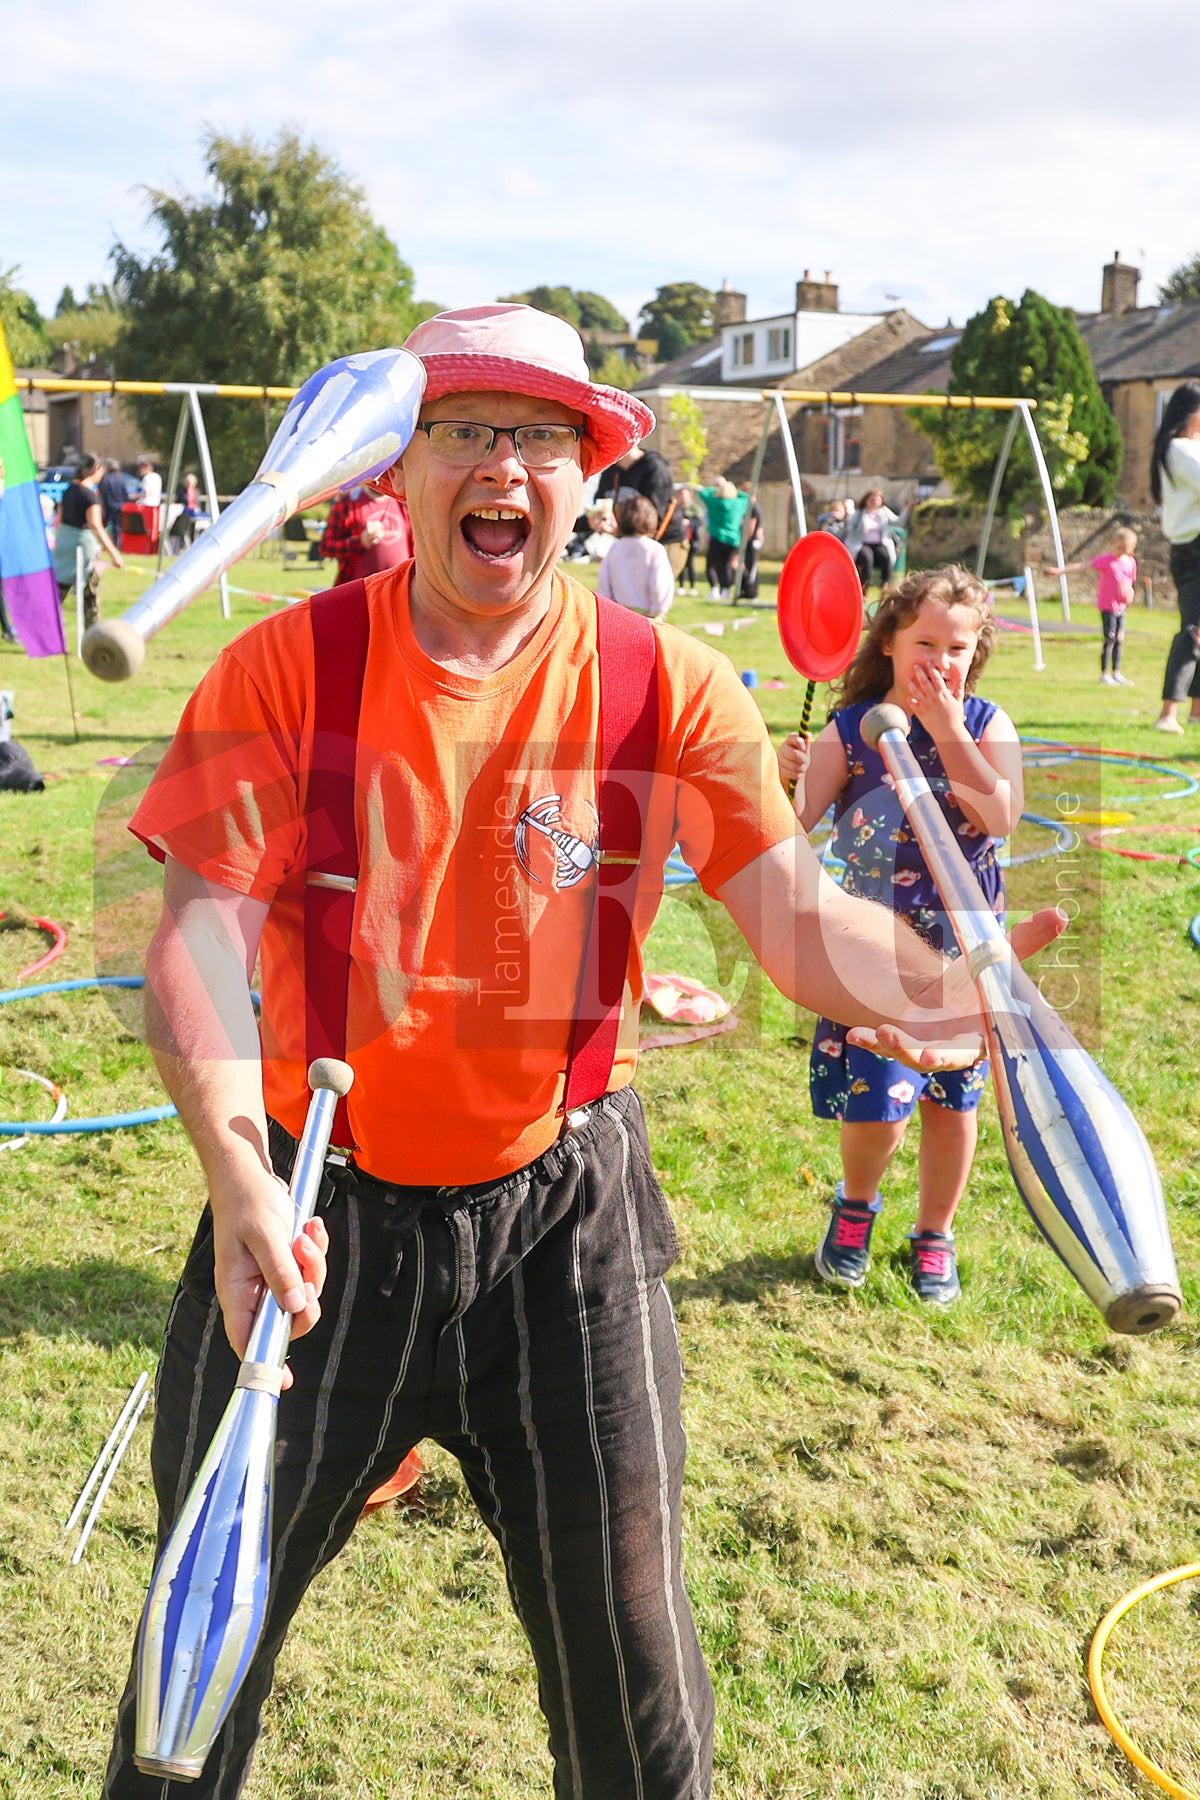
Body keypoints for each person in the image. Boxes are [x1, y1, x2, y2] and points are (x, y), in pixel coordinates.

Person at [103, 305, 1061, 1800]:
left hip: (565, 1225)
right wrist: (234, 1165)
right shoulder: (287, 669)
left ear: (590, 474)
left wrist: (956, 987)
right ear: (397, 471)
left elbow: (795, 920)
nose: (506, 466)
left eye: (544, 437)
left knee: (636, 1700)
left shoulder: (667, 682)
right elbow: (198, 930)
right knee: (182, 1717)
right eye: (468, 431)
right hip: (306, 1218)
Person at [777, 564, 1023, 1306]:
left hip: (960, 948)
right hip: (871, 950)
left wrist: (947, 727)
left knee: (954, 1100)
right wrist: (784, 776)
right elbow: (790, 831)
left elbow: (998, 818)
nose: (941, 661)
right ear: (888, 639)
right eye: (926, 643)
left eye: (957, 647)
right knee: (875, 1096)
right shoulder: (850, 730)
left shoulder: (985, 724)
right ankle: (854, 1208)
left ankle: (935, 1233)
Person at [1150, 381, 1200, 733]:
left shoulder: (1188, 448)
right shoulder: (1179, 448)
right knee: (1193, 631)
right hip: (1195, 549)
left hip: (1191, 549)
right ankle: (1168, 713)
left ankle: (1196, 713)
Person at [1043, 527, 1137, 686]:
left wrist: (1129, 594)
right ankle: (1104, 673)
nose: (1121, 551)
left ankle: (1117, 672)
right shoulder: (1105, 560)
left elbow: (1130, 583)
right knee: (1110, 638)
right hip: (1108, 606)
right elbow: (1082, 566)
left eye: (1125, 548)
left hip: (1121, 607)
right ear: (1114, 544)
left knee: (1119, 639)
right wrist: (1060, 571)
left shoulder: (1131, 563)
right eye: (1119, 547)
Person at [596, 438, 689, 578]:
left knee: (652, 595)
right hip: (629, 539)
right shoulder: (611, 473)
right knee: (625, 596)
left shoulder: (654, 468)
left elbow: (655, 518)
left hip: (666, 540)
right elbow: (601, 508)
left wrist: (618, 530)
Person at [52, 453, 124, 627]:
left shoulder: (69, 490)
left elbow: (58, 520)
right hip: (82, 550)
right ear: (96, 469)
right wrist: (114, 553)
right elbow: (96, 526)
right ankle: (93, 636)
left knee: (57, 594)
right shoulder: (90, 497)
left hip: (64, 546)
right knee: (90, 595)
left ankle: (41, 633)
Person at [596, 493, 675, 618]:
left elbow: (604, 581)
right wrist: (658, 609)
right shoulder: (655, 549)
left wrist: (607, 607)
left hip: (618, 613)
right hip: (647, 616)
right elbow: (660, 582)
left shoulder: (616, 548)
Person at [318, 482, 413, 585]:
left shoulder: (403, 503)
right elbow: (326, 547)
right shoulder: (347, 503)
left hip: (399, 587)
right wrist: (360, 542)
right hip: (358, 591)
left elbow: (415, 548)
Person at [696, 476, 750, 599]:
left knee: (712, 564)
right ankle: (725, 589)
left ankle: (714, 588)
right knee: (726, 565)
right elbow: (746, 496)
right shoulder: (739, 503)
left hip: (717, 537)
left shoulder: (715, 502)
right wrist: (734, 490)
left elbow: (704, 492)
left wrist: (717, 488)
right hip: (733, 539)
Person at [843, 488, 903, 590]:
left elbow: (898, 522)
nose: (875, 503)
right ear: (866, 501)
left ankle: (885, 585)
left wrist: (907, 509)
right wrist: (847, 515)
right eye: (872, 500)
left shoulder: (883, 512)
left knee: (886, 557)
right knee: (867, 558)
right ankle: (864, 587)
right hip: (862, 544)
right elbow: (849, 527)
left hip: (879, 544)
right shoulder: (859, 513)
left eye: (877, 500)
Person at [98, 458, 128, 550]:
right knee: (117, 528)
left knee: (106, 527)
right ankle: (117, 546)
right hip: (119, 506)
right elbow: (125, 493)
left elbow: (103, 493)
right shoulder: (121, 478)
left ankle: (106, 545)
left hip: (108, 506)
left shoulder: (105, 478)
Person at [740, 492, 764, 600]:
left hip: (753, 542)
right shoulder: (749, 508)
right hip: (750, 541)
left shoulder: (754, 508)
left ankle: (753, 592)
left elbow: (751, 526)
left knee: (752, 566)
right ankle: (747, 591)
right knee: (747, 565)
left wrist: (745, 540)